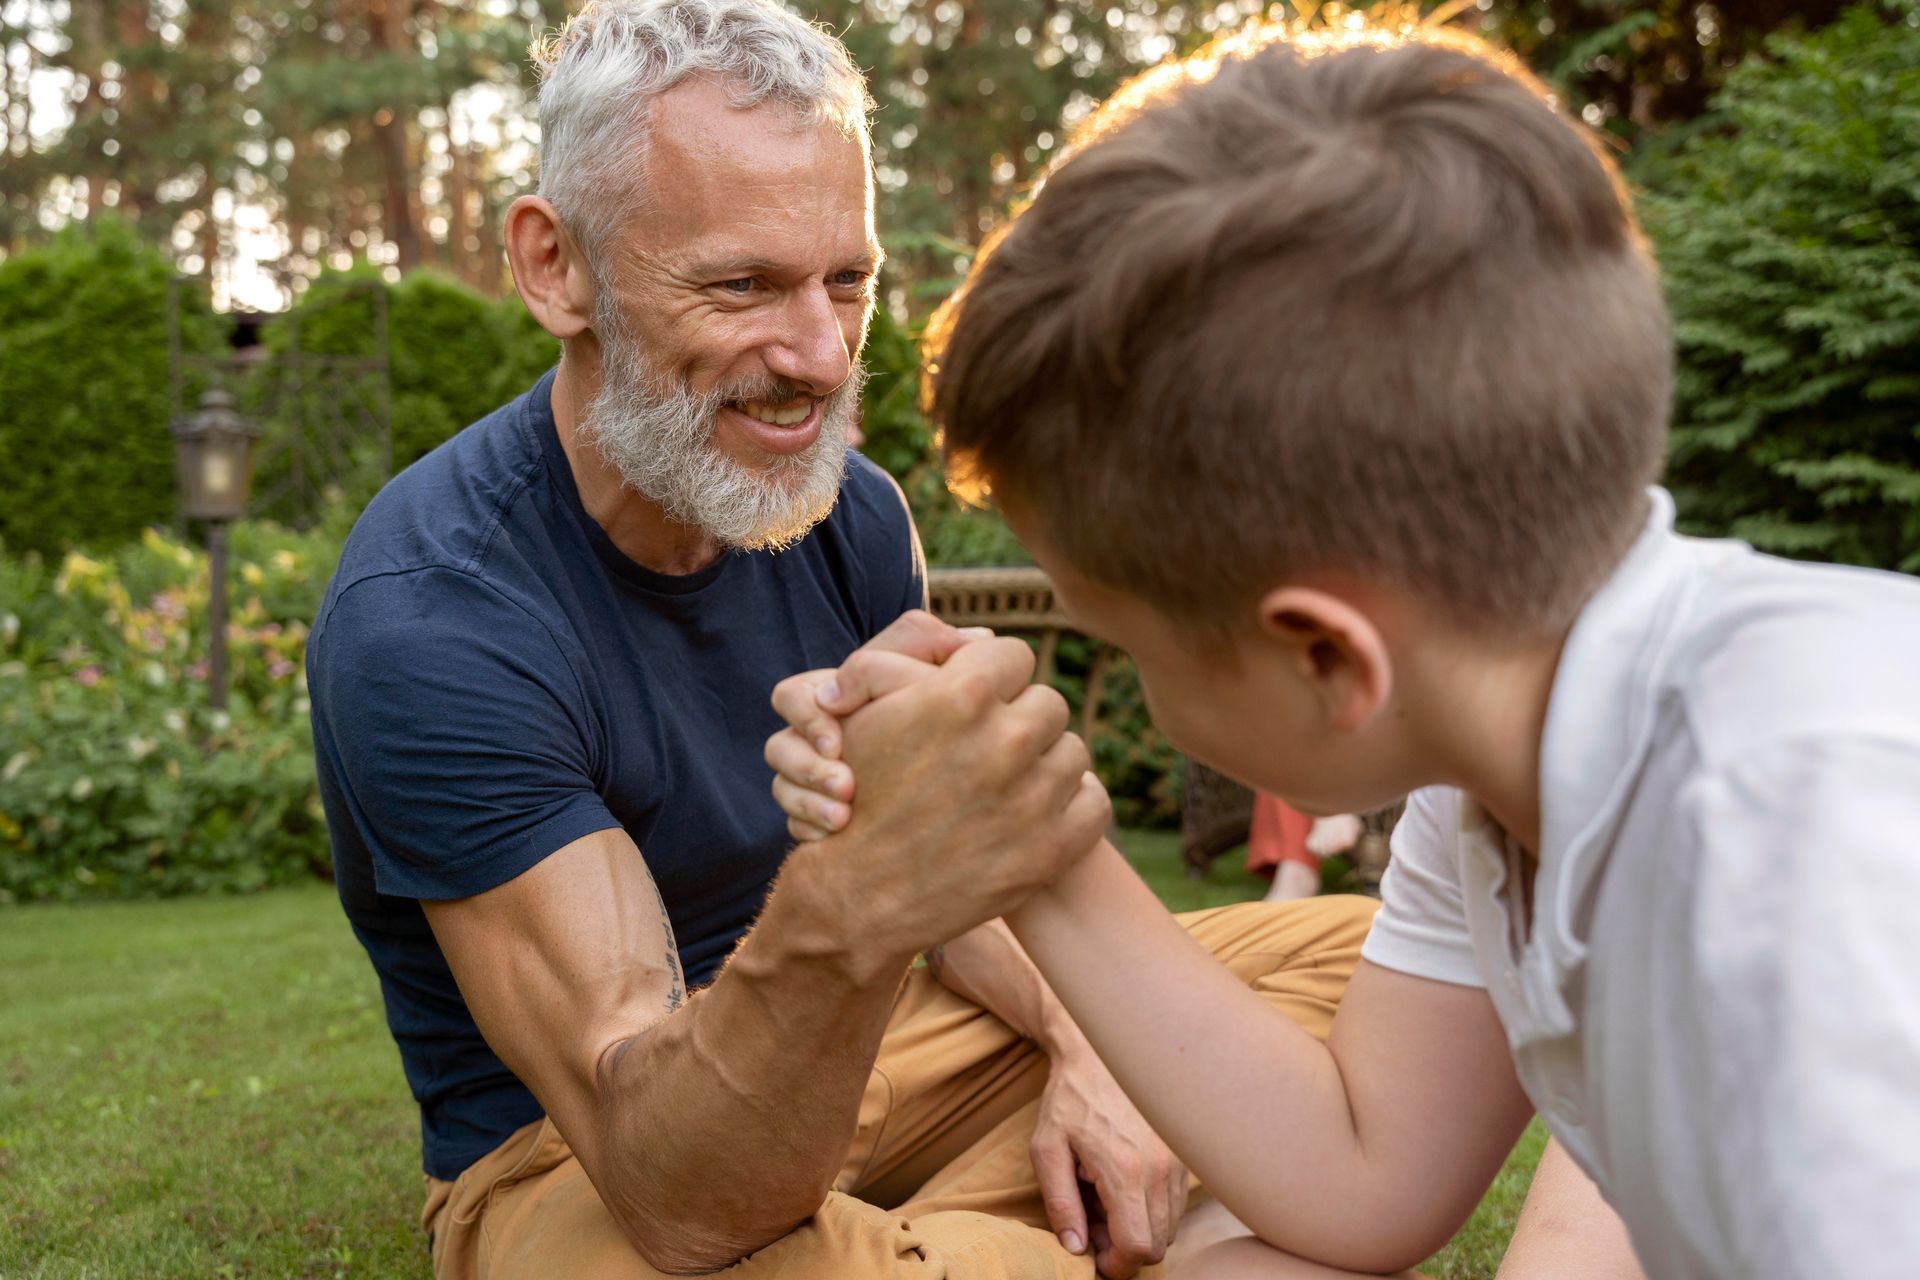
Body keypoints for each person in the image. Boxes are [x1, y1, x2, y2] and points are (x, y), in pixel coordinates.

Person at [765, 20, 1920, 1280]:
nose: (1129, 691)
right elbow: (1367, 1172)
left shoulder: (1815, 853)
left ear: (1326, 659)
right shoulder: (1502, 764)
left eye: (1129, 642)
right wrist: (1020, 835)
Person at [305, 3, 1386, 1278]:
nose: (821, 358)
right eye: (741, 283)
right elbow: (664, 1173)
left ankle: (953, 1239)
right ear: (557, 268)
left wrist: (1103, 1065)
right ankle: (1116, 1237)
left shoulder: (846, 512)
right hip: (590, 1159)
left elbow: (967, 895)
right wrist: (863, 894)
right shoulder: (433, 618)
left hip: (881, 1048)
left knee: (1373, 960)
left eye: (849, 279)